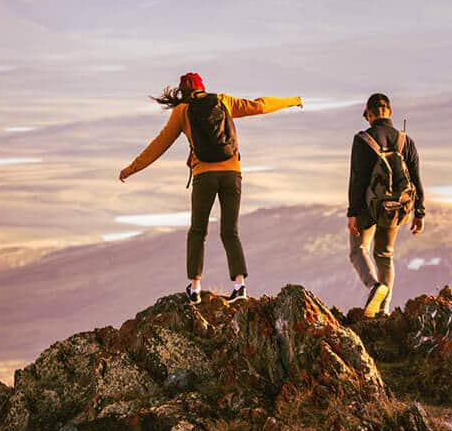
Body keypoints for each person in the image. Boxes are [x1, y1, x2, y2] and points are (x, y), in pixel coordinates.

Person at [119, 73, 302, 305]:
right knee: (230, 231)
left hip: (204, 176)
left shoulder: (182, 111)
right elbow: (260, 105)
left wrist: (130, 169)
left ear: (183, 92)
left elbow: (159, 145)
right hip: (231, 174)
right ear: (203, 87)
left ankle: (195, 289)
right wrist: (293, 100)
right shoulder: (223, 101)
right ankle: (240, 287)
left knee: (197, 231)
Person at [347, 93, 425, 317]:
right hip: (396, 210)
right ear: (389, 112)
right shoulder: (405, 141)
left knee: (358, 250)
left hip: (367, 209)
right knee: (384, 254)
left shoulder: (363, 140)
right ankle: (384, 308)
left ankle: (374, 287)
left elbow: (358, 179)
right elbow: (416, 179)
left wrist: (353, 213)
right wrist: (419, 212)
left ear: (368, 114)